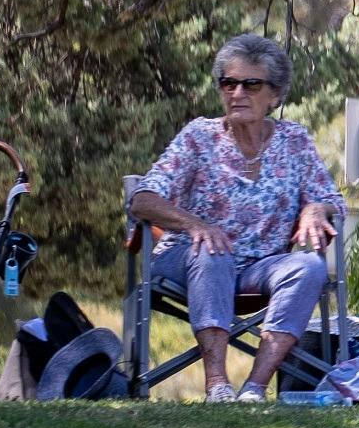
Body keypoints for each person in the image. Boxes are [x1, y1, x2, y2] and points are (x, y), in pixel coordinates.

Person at [129, 32, 342, 401]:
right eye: (229, 83)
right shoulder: (199, 137)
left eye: (251, 84)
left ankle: (254, 389)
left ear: (275, 95)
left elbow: (330, 199)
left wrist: (314, 209)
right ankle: (217, 385)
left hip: (262, 266)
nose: (237, 93)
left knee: (309, 267)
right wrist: (196, 225)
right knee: (213, 251)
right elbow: (142, 200)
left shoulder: (294, 141)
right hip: (191, 259)